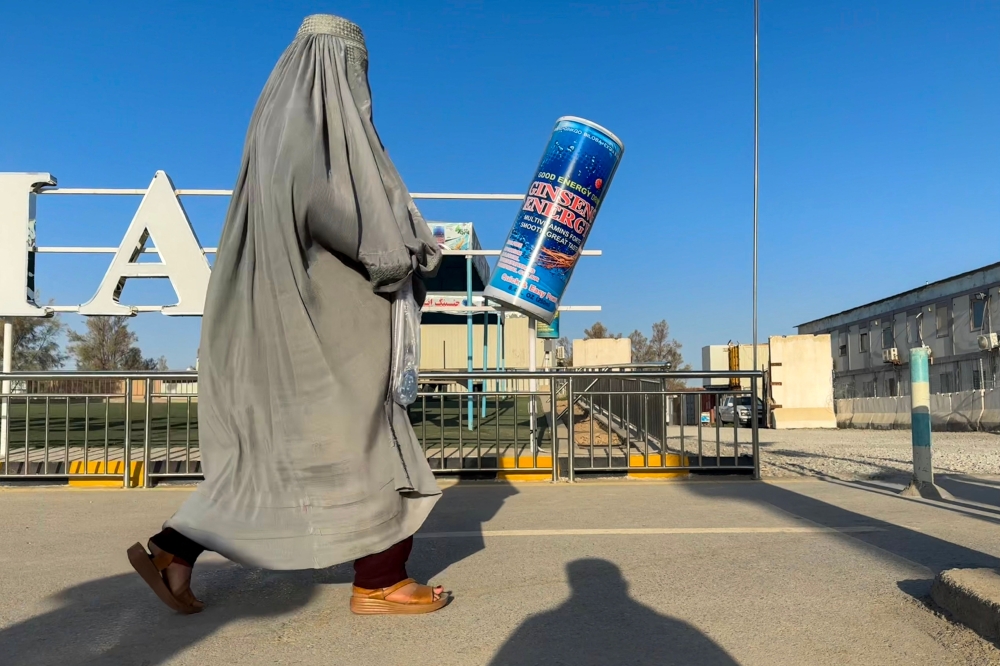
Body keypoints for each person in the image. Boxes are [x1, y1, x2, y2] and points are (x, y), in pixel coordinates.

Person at [127, 13, 448, 616]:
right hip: (332, 327)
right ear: (336, 67)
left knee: (277, 451)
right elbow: (359, 232)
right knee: (371, 445)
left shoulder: (274, 124)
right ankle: (380, 581)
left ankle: (174, 549)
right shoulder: (321, 134)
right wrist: (415, 250)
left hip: (274, 319)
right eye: (357, 67)